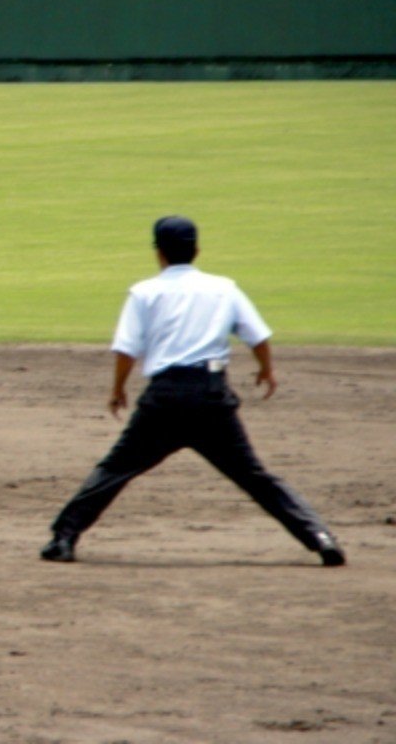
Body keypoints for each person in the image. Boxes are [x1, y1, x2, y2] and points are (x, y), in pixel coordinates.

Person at [40, 217, 344, 566]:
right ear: (196, 250)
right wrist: (266, 370)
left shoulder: (145, 292)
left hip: (164, 401)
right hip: (211, 397)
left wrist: (118, 389)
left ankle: (63, 539)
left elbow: (127, 349)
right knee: (255, 476)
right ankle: (320, 538)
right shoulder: (224, 288)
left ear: (159, 253)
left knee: (115, 469)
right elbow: (258, 336)